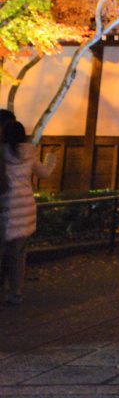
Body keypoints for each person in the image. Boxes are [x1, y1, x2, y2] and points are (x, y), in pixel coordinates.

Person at [1, 121, 56, 304]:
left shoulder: (2, 153)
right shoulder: (29, 153)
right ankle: (15, 293)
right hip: (25, 208)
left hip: (5, 208)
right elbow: (45, 173)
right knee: (18, 255)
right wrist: (51, 157)